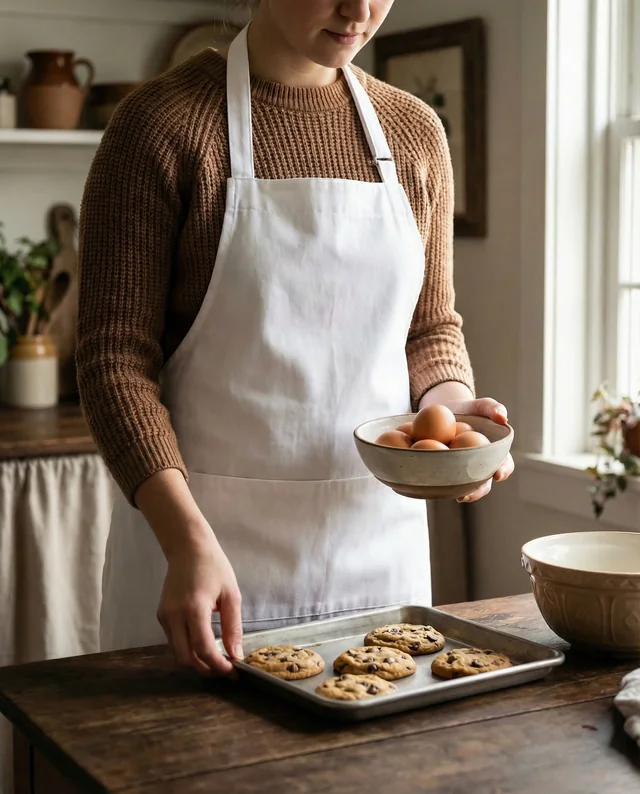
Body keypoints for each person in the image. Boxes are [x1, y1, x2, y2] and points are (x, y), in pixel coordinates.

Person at [76, 0, 514, 678]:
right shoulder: (161, 125)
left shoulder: (415, 131)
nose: (360, 10)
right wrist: (186, 541)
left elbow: (429, 325)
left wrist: (450, 417)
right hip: (198, 556)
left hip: (374, 552)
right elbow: (113, 361)